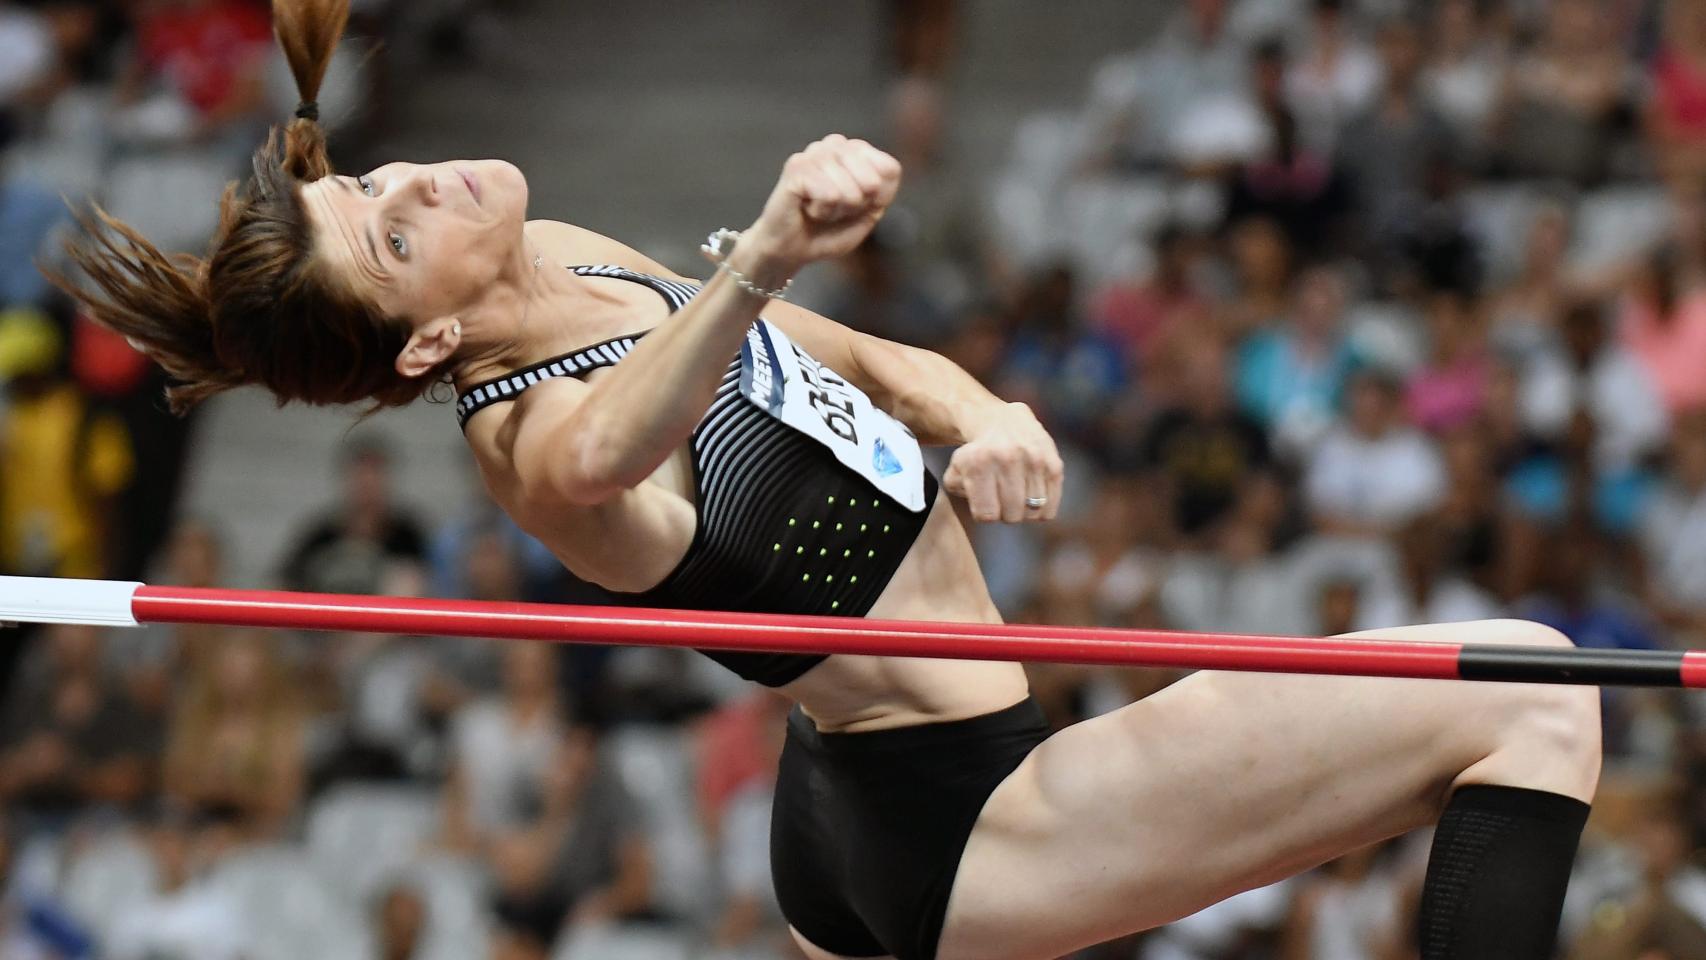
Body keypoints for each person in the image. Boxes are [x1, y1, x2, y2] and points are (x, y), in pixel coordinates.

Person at [53, 3, 1603, 958]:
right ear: (429, 340)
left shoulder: (571, 258)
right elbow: (618, 446)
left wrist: (987, 410)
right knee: (1531, 686)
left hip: (842, 822)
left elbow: (861, 361)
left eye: (378, 182)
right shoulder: (530, 445)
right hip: (968, 821)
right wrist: (767, 247)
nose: (420, 180)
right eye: (393, 233)